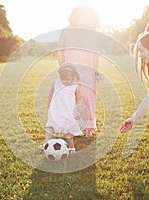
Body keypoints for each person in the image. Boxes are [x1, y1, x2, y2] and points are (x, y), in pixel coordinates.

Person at [58, 4, 100, 138]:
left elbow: (95, 52)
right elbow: (61, 50)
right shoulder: (66, 31)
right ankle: (72, 126)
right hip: (70, 68)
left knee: (87, 96)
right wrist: (62, 68)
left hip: (88, 68)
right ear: (74, 16)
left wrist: (95, 70)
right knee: (71, 97)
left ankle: (89, 128)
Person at [43, 63, 83, 153]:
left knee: (67, 130)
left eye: (67, 79)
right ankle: (46, 144)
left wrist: (79, 109)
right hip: (55, 109)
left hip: (67, 111)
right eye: (62, 79)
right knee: (50, 126)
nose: (64, 81)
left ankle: (71, 147)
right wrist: (49, 103)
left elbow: (79, 99)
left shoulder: (75, 87)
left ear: (73, 77)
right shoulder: (56, 82)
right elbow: (51, 92)